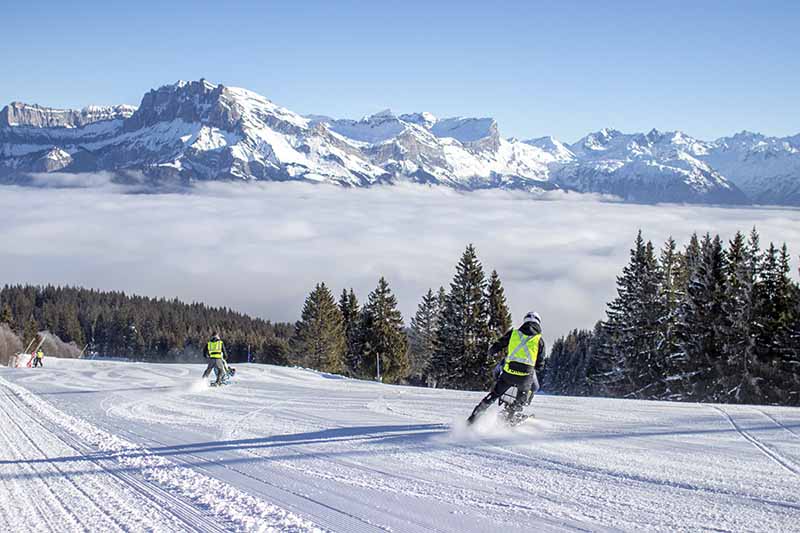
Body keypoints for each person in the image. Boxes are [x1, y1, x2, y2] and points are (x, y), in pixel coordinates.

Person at [467, 311, 545, 424]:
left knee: (493, 395)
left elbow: (498, 345)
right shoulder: (539, 340)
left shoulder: (513, 333)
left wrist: (490, 352)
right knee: (522, 398)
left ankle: (472, 419)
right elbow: (540, 364)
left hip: (509, 374)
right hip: (525, 377)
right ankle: (509, 416)